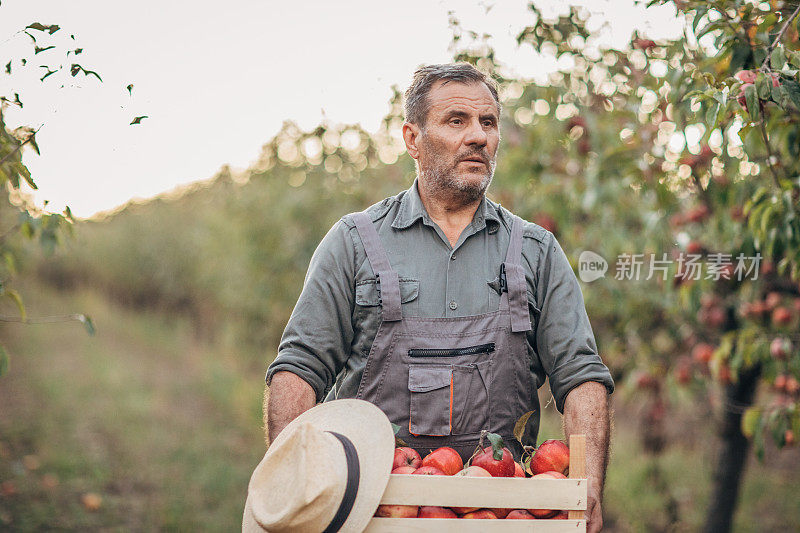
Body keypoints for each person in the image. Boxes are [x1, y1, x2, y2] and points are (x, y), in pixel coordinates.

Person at [264, 63, 614, 532]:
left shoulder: (535, 250)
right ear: (412, 139)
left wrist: (586, 486)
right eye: (457, 121)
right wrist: (290, 489)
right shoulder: (353, 243)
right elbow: (298, 369)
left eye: (488, 123)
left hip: (500, 517)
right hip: (374, 513)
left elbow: (581, 376)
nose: (479, 137)